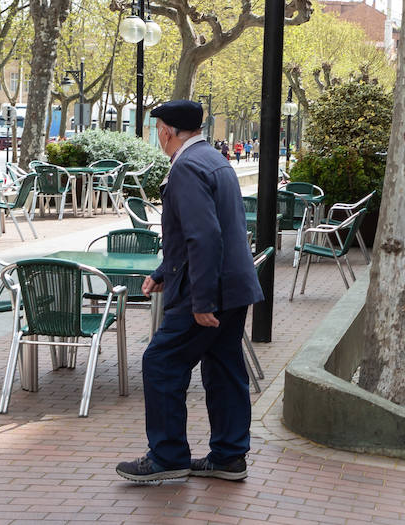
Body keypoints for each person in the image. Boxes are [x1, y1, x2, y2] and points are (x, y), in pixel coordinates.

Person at [115, 100, 264, 482]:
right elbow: (200, 231)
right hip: (233, 285)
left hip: (210, 289)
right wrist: (164, 270)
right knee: (224, 367)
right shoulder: (215, 160)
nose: (159, 137)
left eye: (159, 130)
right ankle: (229, 456)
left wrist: (201, 300)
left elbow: (203, 235)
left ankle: (167, 457)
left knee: (161, 362)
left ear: (166, 131)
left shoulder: (186, 167)